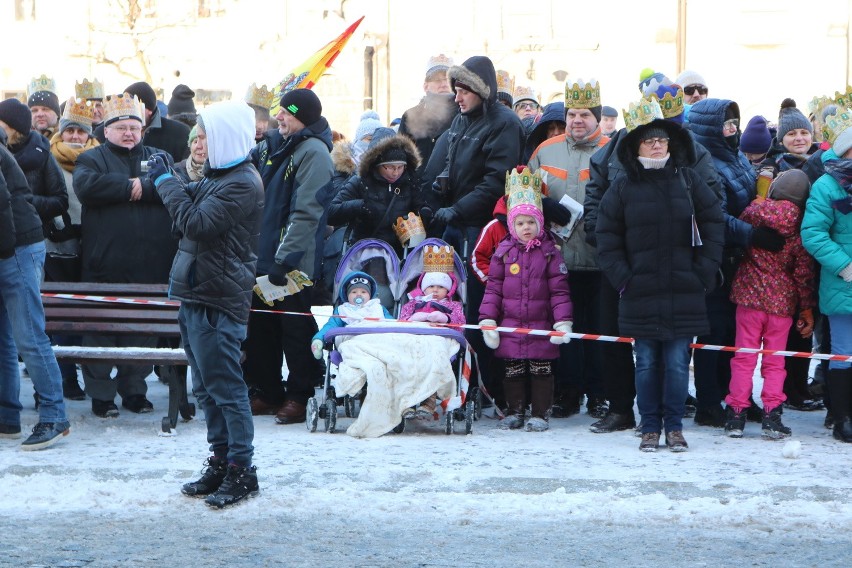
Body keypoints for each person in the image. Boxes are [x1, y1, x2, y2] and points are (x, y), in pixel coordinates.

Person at [584, 83, 722, 434]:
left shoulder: (688, 178)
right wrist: (623, 277)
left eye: (663, 139)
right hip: (639, 288)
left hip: (683, 286)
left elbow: (713, 219)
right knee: (645, 362)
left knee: (677, 364)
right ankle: (647, 425)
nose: (658, 145)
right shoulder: (624, 184)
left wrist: (704, 270)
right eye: (650, 140)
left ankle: (673, 425)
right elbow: (606, 231)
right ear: (636, 145)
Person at [149, 99, 264, 508]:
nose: (199, 141)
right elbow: (189, 199)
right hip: (198, 293)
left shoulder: (241, 182)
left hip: (218, 299)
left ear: (226, 138)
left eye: (205, 135)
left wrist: (165, 180)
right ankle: (219, 460)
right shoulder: (221, 175)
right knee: (206, 388)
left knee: (226, 388)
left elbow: (194, 222)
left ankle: (241, 469)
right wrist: (170, 176)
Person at [72, 93, 178, 418]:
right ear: (107, 130)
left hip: (149, 266)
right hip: (102, 266)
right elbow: (89, 187)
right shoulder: (90, 159)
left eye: (135, 127)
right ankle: (102, 395)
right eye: (122, 128)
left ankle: (134, 390)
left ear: (143, 129)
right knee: (98, 333)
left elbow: (171, 187)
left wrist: (140, 189)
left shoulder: (160, 156)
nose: (129, 133)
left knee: (141, 333)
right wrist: (134, 186)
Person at [433, 54, 525, 412]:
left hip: (481, 228)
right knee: (449, 302)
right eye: (455, 90)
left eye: (462, 90)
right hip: (455, 224)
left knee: (480, 307)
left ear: (479, 91)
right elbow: (446, 164)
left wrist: (458, 208)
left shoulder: (504, 123)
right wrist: (439, 188)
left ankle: (491, 388)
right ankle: (459, 381)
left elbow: (494, 182)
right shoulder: (460, 121)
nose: (457, 97)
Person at [688, 97, 785, 427]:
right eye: (725, 125)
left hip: (739, 259)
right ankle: (708, 402)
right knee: (714, 334)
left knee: (734, 335)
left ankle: (736, 399)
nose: (732, 130)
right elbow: (713, 216)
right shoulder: (702, 162)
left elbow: (746, 202)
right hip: (715, 259)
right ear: (709, 128)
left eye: (734, 123)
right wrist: (753, 235)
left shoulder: (735, 157)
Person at [243, 88, 333, 424]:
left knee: (294, 330)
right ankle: (268, 392)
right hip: (262, 257)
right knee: (261, 329)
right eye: (280, 111)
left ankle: (299, 394)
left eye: (287, 113)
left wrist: (286, 258)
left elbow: (307, 212)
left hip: (293, 263)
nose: (279, 117)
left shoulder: (313, 152)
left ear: (304, 118)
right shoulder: (273, 146)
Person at [528, 78, 609, 420]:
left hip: (600, 259)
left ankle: (600, 394)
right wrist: (543, 204)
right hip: (557, 258)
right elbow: (522, 195)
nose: (577, 120)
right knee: (564, 330)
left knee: (602, 331)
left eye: (585, 115)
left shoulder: (612, 148)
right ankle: (568, 392)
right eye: (573, 113)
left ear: (597, 118)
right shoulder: (545, 151)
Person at [479, 167, 572, 432]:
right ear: (512, 226)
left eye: (531, 222)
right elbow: (494, 289)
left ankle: (540, 413)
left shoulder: (550, 253)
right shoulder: (503, 253)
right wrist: (487, 319)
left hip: (541, 324)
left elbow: (560, 291)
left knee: (542, 370)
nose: (526, 228)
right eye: (520, 223)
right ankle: (514, 410)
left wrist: (563, 322)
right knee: (513, 370)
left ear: (540, 223)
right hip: (511, 323)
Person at [725, 169, 815, 439]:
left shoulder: (754, 213)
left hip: (749, 300)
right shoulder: (800, 226)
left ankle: (736, 415)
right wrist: (806, 306)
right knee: (775, 362)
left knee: (744, 357)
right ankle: (772, 414)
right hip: (782, 306)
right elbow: (803, 273)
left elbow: (738, 227)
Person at [0, 130, 71, 450]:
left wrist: (4, 250)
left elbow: (2, 202)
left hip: (15, 247)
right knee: (3, 338)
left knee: (28, 335)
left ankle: (55, 416)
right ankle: (7, 417)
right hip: (9, 245)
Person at [757, 99, 824, 412]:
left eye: (804, 132)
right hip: (781, 259)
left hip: (811, 256)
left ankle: (800, 385)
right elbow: (759, 207)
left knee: (806, 327)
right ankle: (785, 390)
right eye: (792, 133)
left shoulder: (821, 163)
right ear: (780, 139)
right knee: (786, 330)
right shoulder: (771, 168)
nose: (799, 138)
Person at [801, 108, 852, 443]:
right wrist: (844, 266)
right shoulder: (828, 184)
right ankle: (842, 416)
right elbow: (813, 233)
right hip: (843, 282)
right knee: (844, 352)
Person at [47, 98, 99, 400]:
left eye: (81, 131)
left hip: (91, 247)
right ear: (62, 133)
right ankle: (66, 377)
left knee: (88, 316)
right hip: (56, 247)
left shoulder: (99, 157)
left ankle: (93, 376)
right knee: (62, 317)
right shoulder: (49, 158)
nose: (76, 137)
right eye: (70, 132)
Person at [328, 127, 427, 258]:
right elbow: (331, 212)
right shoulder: (360, 182)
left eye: (400, 167)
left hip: (401, 255)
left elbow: (421, 208)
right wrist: (359, 206)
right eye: (390, 167)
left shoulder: (409, 183)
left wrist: (425, 213)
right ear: (377, 164)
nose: (396, 172)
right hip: (365, 252)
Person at [398, 266, 466, 418]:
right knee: (408, 361)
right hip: (416, 338)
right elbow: (402, 321)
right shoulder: (413, 304)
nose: (435, 290)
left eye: (441, 287)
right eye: (431, 286)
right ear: (423, 288)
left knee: (433, 360)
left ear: (448, 289)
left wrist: (445, 318)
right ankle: (407, 401)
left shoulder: (453, 306)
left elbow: (461, 323)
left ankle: (429, 400)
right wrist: (416, 318)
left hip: (441, 339)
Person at [94, 81, 191, 162]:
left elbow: (184, 169)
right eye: (125, 104)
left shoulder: (179, 133)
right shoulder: (102, 132)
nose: (129, 109)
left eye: (135, 105)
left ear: (149, 111)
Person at [398, 54, 458, 181]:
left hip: (453, 188)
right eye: (437, 80)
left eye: (447, 79)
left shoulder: (463, 115)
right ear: (425, 86)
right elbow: (401, 157)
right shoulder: (410, 116)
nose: (443, 84)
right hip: (418, 189)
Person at [311, 272, 395, 359]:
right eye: (354, 292)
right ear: (347, 296)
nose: (359, 294)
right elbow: (331, 325)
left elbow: (391, 323)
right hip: (352, 340)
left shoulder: (377, 308)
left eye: (363, 292)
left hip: (377, 340)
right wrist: (319, 338)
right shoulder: (343, 310)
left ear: (370, 295)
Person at [27, 75, 61, 139]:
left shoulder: (69, 138)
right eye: (34, 110)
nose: (40, 114)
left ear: (57, 114)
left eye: (45, 109)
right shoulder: (22, 141)